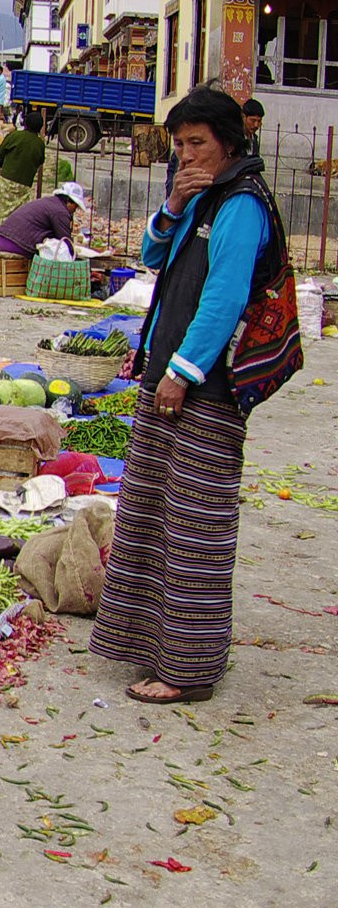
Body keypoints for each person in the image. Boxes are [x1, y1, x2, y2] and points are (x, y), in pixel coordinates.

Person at [91, 87, 295, 705]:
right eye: (179, 145)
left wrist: (181, 371)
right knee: (152, 511)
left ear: (230, 141)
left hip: (207, 387)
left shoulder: (242, 203)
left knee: (194, 528)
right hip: (167, 376)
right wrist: (173, 203)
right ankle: (150, 643)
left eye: (196, 143)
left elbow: (225, 298)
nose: (185, 154)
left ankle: (189, 668)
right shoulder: (202, 194)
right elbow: (155, 257)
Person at [0, 181, 90, 259]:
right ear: (69, 202)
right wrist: (76, 257)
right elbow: (65, 241)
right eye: (76, 206)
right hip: (14, 244)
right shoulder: (61, 212)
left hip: (3, 238)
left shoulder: (50, 202)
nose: (75, 210)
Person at [0, 107, 47, 221]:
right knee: (18, 216)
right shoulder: (40, 144)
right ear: (40, 127)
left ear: (25, 123)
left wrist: (2, 165)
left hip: (7, 180)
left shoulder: (15, 135)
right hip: (24, 184)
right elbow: (40, 161)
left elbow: (0, 151)